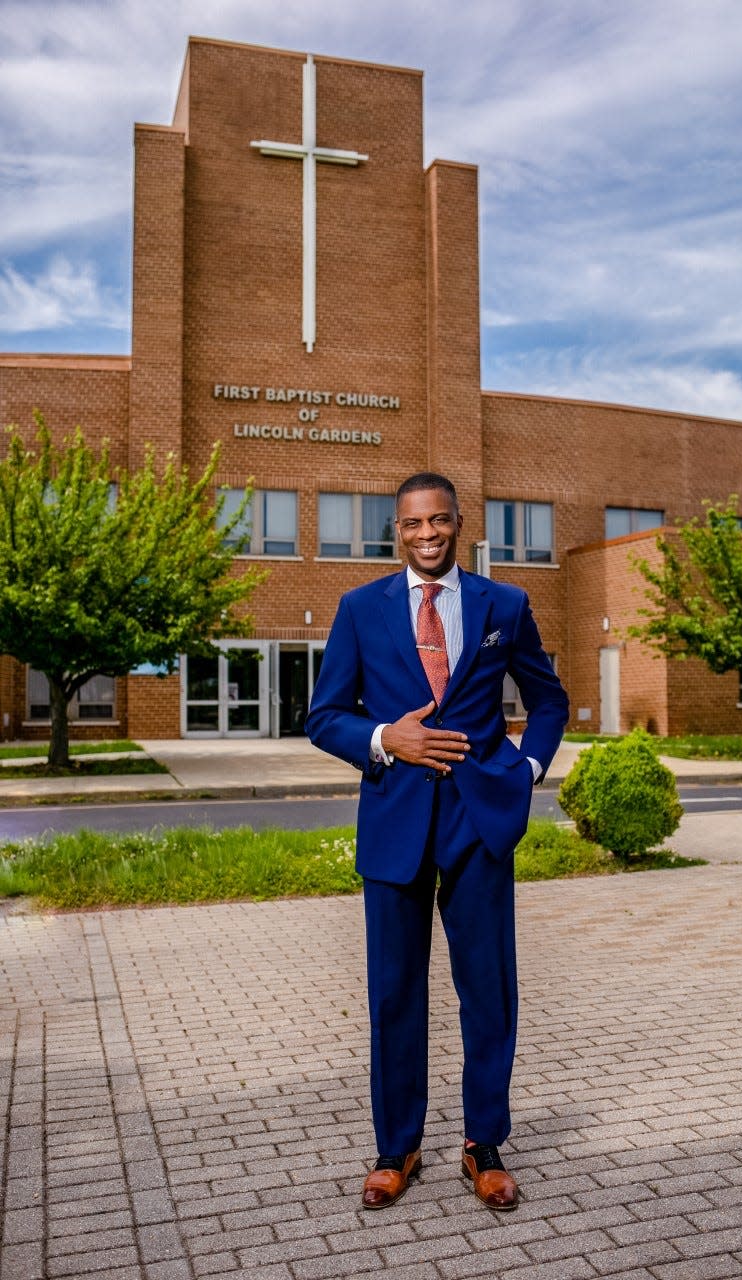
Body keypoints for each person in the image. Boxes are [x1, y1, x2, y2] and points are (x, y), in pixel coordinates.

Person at [305, 472, 569, 1211]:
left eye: (440, 521)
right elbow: (325, 717)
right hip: (393, 824)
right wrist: (388, 737)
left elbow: (548, 701)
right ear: (397, 529)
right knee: (393, 993)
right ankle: (398, 1148)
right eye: (413, 523)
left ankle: (483, 1145)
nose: (427, 534)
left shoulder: (503, 605)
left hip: (478, 822)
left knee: (488, 992)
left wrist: (525, 768)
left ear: (459, 523)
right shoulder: (359, 610)